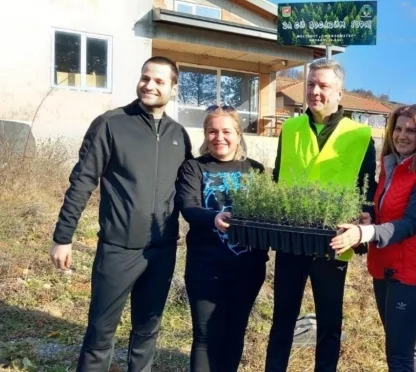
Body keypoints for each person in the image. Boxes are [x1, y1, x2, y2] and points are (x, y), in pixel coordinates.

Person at [49, 56, 193, 372]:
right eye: (145, 78)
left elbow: (188, 193)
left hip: (162, 252)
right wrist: (63, 236)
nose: (149, 85)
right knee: (100, 336)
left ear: (173, 87)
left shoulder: (179, 135)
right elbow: (83, 180)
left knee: (146, 333)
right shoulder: (111, 124)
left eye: (158, 81)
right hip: (117, 251)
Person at [264, 58, 377, 372]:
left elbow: (366, 188)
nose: (315, 91)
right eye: (311, 84)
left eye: (324, 85)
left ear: (339, 92)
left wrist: (363, 227)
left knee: (329, 322)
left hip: (333, 242)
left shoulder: (359, 134)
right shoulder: (290, 127)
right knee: (282, 319)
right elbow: (276, 179)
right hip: (291, 239)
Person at [330, 104, 416, 371]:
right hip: (383, 267)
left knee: (398, 356)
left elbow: (411, 224)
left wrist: (365, 233)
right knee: (403, 349)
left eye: (411, 130)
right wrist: (369, 219)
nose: (402, 135)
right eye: (398, 128)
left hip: (411, 273)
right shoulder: (391, 165)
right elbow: (386, 210)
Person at [176, 106, 269, 372]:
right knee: (206, 337)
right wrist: (214, 217)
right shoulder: (194, 167)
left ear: (238, 135)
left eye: (226, 131)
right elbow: (189, 207)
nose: (220, 137)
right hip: (206, 268)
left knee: (235, 333)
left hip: (248, 268)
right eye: (212, 131)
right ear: (206, 135)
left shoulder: (256, 170)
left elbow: (269, 214)